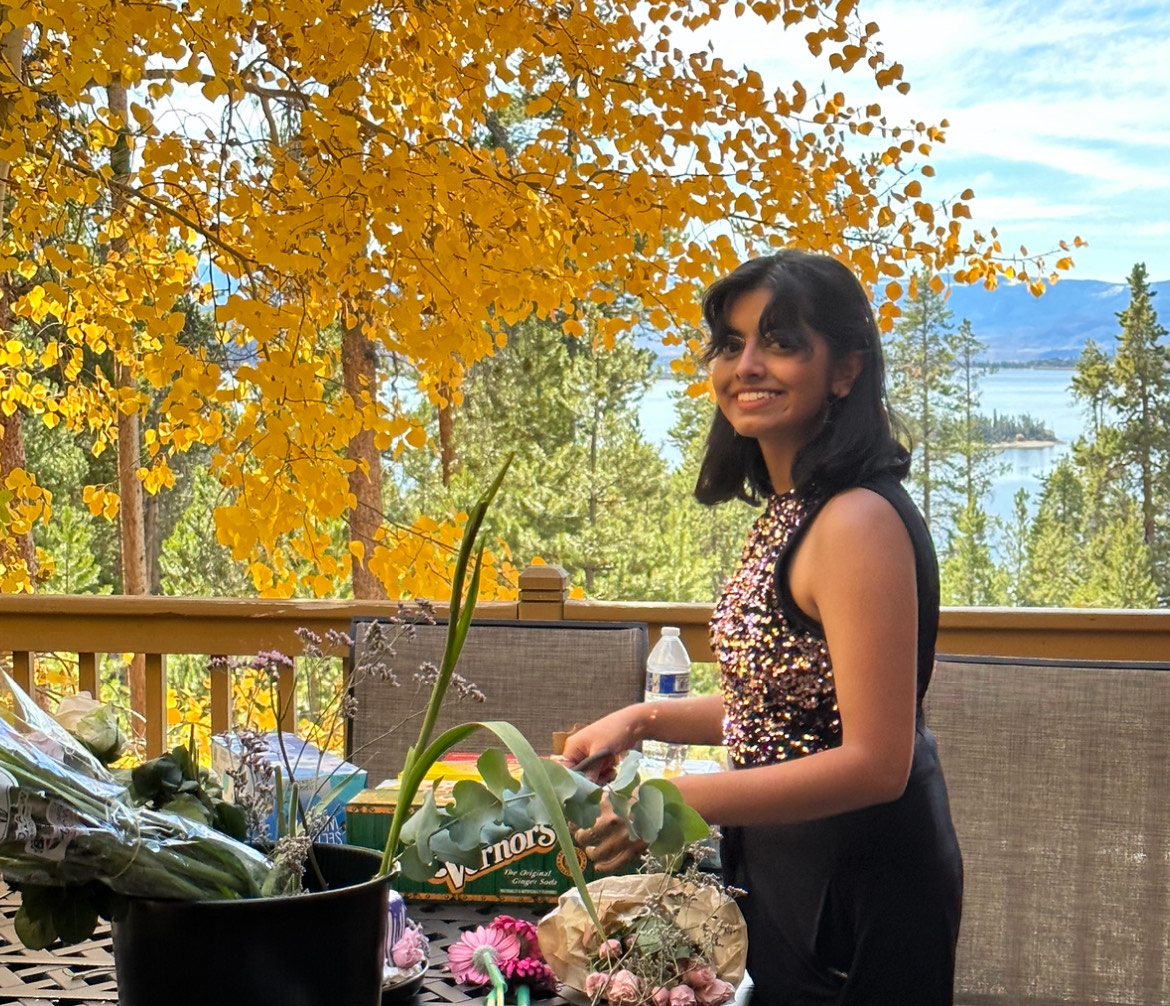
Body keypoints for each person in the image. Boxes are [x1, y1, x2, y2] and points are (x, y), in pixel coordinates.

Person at [563, 250, 963, 1004]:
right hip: (793, 868)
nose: (746, 365)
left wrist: (674, 803)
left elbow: (879, 760)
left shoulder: (855, 522)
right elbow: (791, 706)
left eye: (780, 342)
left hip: (858, 889)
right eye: (730, 343)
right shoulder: (796, 508)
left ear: (844, 371)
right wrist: (642, 718)